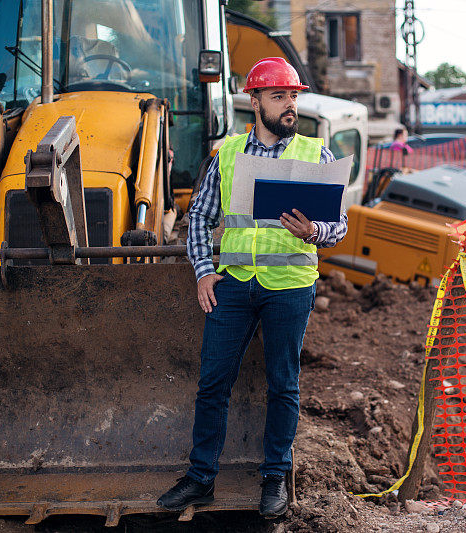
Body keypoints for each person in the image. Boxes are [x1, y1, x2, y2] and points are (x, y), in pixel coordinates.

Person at [157, 57, 348, 518]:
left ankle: (274, 479)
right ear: (254, 100)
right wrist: (204, 270)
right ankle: (201, 478)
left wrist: (314, 232)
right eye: (280, 96)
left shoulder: (315, 155)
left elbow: (338, 224)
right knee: (212, 383)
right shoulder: (225, 156)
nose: (289, 105)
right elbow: (199, 218)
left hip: (290, 286)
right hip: (235, 284)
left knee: (283, 385)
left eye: (294, 97)